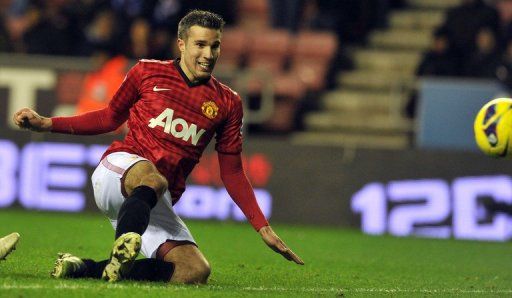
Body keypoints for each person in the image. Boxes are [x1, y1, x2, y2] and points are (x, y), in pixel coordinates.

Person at [12, 10, 303, 284]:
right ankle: (124, 243)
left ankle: (84, 267)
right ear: (181, 43)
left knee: (193, 271)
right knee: (152, 177)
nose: (208, 54)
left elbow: (233, 172)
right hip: (118, 173)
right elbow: (108, 117)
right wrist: (47, 123)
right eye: (200, 44)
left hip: (154, 201)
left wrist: (262, 226)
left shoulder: (228, 103)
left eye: (215, 46)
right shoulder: (146, 72)